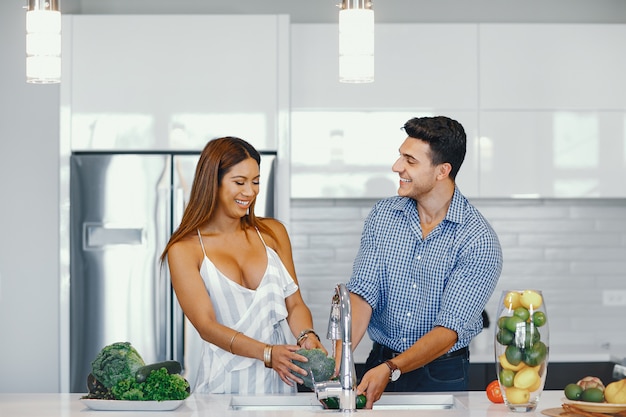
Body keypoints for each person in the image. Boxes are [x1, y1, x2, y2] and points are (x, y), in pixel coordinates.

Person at [345, 116, 503, 408]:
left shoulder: (478, 239)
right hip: (379, 360)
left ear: (442, 171)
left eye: (410, 161)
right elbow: (364, 292)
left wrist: (393, 368)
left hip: (441, 372)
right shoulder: (384, 216)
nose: (397, 167)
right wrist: (340, 358)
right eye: (400, 156)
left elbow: (449, 330)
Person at [161, 136, 326, 394]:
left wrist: (307, 335)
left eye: (256, 181)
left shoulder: (272, 233)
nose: (250, 192)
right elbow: (207, 326)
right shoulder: (185, 249)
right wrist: (267, 353)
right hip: (222, 390)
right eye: (239, 182)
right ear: (212, 183)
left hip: (279, 390)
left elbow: (294, 304)